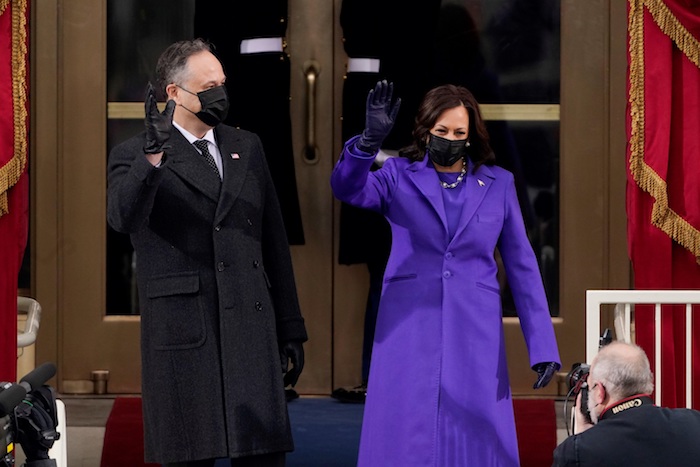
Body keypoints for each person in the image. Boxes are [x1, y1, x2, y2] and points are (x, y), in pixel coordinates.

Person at [331, 80, 561, 466]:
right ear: (425, 131)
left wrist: (542, 347)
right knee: (405, 430)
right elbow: (347, 189)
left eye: (459, 133)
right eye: (441, 131)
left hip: (476, 329)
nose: (450, 139)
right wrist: (367, 144)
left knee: (477, 435)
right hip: (407, 325)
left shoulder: (498, 183)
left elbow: (522, 267)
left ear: (471, 137)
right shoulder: (397, 175)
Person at [107, 38, 307, 467]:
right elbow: (122, 219)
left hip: (251, 328)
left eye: (222, 83)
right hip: (186, 330)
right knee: (190, 454)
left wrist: (290, 326)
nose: (219, 94)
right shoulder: (134, 154)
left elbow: (272, 240)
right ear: (174, 93)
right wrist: (153, 158)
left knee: (260, 454)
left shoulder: (247, 146)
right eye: (207, 86)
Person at [553, 341, 700, 466]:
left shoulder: (577, 451)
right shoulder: (694, 422)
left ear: (600, 392)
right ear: (648, 381)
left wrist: (583, 439)